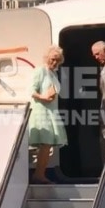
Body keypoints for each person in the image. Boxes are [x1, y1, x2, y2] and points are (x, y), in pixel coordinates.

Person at [28, 45, 68, 184]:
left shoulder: (53, 73)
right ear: (47, 58)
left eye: (57, 60)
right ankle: (39, 174)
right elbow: (32, 91)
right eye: (52, 59)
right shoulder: (40, 71)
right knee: (46, 143)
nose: (54, 62)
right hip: (41, 111)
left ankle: (40, 173)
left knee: (48, 144)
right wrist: (43, 97)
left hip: (51, 110)